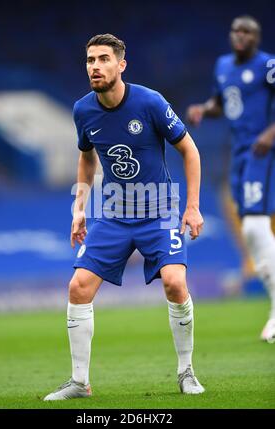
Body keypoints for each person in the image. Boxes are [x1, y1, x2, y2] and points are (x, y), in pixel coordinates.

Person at [44, 33, 205, 400]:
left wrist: (192, 206)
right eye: (89, 60)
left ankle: (186, 372)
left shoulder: (150, 102)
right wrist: (79, 208)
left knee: (175, 283)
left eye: (103, 59)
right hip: (114, 213)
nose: (95, 66)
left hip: (159, 210)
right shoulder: (83, 109)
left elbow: (190, 150)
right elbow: (87, 157)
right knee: (78, 287)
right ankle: (79, 383)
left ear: (121, 64)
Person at [186, 15, 275, 343]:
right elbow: (222, 103)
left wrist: (269, 134)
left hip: (262, 150)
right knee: (253, 234)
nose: (241, 36)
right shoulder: (223, 66)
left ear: (257, 37)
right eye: (236, 30)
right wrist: (203, 109)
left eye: (248, 32)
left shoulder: (268, 65)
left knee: (254, 226)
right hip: (238, 153)